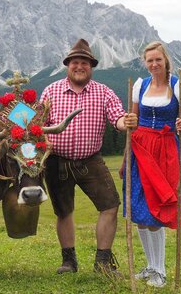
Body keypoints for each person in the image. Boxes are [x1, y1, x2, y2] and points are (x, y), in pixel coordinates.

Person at [41, 38, 137, 276]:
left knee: (110, 205)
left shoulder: (104, 92)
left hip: (90, 160)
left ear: (91, 66)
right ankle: (68, 261)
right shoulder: (51, 91)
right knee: (63, 211)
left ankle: (102, 262)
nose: (79, 66)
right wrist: (41, 140)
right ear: (68, 65)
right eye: (75, 62)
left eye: (85, 62)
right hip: (56, 161)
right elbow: (35, 123)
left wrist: (127, 122)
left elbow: (116, 117)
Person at [120, 41, 181, 287]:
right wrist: (129, 122)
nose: (154, 64)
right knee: (141, 210)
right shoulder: (140, 85)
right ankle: (150, 266)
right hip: (140, 149)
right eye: (149, 60)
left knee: (157, 209)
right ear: (145, 62)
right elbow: (132, 121)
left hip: (165, 151)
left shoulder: (179, 86)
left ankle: (160, 271)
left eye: (158, 60)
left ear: (166, 61)